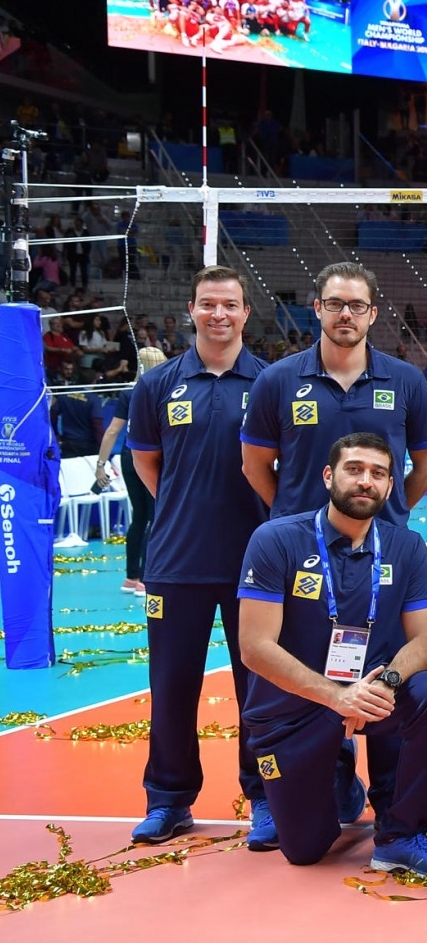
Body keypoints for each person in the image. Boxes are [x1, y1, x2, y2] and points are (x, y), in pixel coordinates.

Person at [236, 433, 427, 876]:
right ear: (328, 476)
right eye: (354, 469)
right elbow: (254, 648)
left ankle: (400, 835)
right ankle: (338, 772)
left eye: (378, 474)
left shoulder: (405, 546)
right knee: (305, 850)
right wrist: (336, 698)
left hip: (372, 698)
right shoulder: (276, 539)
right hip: (293, 709)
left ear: (391, 487)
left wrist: (385, 683)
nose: (365, 481)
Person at [126, 268, 272, 846]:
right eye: (208, 304)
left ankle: (264, 796)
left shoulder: (270, 381)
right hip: (176, 563)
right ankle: (168, 800)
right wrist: (186, 506)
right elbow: (145, 463)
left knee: (258, 689)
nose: (219, 315)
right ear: (191, 310)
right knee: (172, 687)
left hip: (255, 566)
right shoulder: (158, 384)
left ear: (245, 313)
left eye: (229, 305)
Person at [241, 262, 427, 527]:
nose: (346, 314)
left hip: (380, 542)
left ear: (372, 314)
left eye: (357, 305)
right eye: (335, 304)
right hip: (299, 544)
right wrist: (292, 518)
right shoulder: (276, 380)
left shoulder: (407, 380)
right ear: (318, 309)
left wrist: (387, 513)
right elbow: (254, 466)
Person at [96, 346, 167, 595]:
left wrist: (100, 465)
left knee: (139, 517)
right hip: (155, 457)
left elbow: (113, 431)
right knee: (155, 517)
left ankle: (131, 577)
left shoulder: (128, 392)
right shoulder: (165, 389)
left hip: (128, 457)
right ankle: (146, 580)